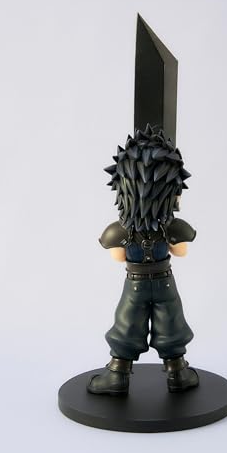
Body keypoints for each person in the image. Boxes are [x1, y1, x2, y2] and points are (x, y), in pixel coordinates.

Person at [87, 124, 199, 396]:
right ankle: (177, 372)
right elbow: (181, 251)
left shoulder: (121, 230)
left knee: (127, 323)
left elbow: (118, 256)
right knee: (171, 322)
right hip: (164, 282)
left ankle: (118, 374)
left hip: (134, 284)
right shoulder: (171, 226)